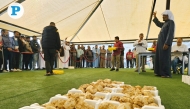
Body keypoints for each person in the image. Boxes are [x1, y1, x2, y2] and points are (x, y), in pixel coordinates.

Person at [153, 10, 175, 78]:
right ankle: (159, 72)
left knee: (165, 58)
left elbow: (170, 33)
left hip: (165, 43)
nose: (163, 17)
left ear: (168, 16)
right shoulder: (165, 23)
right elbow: (159, 24)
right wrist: (155, 16)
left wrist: (167, 43)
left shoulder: (171, 22)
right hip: (160, 43)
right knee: (160, 57)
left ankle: (166, 73)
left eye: (164, 16)